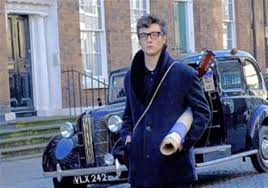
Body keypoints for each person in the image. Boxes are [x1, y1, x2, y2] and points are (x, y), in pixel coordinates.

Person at [120, 14, 211, 188]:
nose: (149, 40)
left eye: (155, 34)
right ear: (139, 39)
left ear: (164, 38)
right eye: (144, 35)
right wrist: (128, 138)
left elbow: (202, 112)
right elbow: (128, 116)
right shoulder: (130, 77)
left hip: (174, 169)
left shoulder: (183, 73)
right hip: (140, 171)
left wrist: (183, 143)